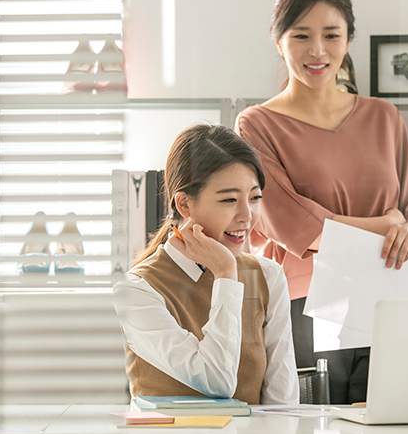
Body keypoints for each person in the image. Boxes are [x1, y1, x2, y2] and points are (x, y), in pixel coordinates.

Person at [235, 0, 408, 404]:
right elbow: (293, 225)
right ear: (278, 39)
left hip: (390, 297)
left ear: (348, 38)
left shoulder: (384, 117)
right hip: (306, 305)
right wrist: (387, 224)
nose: (318, 51)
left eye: (331, 35)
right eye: (301, 35)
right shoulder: (256, 125)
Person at [112, 123, 298, 405]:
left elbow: (282, 401)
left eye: (255, 197)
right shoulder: (137, 290)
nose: (247, 215)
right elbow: (217, 381)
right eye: (229, 200)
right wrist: (225, 273)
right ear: (185, 205)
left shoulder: (268, 276)